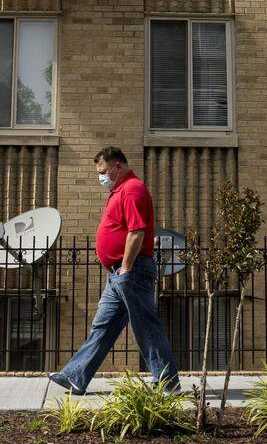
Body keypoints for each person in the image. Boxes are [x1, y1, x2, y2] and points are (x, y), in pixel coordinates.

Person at [48, 147, 180, 395]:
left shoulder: (132, 189)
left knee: (146, 327)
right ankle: (76, 376)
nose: (102, 177)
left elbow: (137, 231)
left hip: (131, 271)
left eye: (104, 171)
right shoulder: (119, 190)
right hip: (119, 273)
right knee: (103, 326)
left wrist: (127, 269)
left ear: (117, 166)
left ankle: (168, 384)